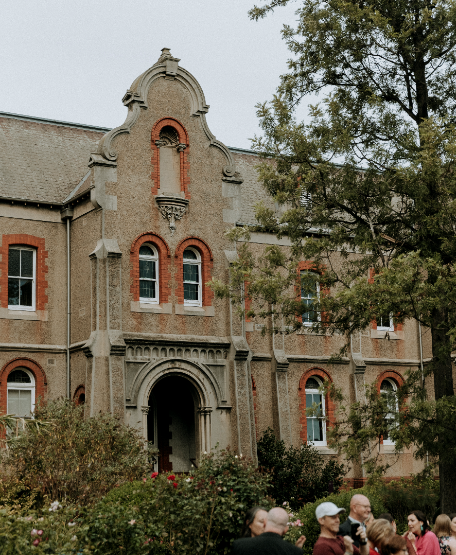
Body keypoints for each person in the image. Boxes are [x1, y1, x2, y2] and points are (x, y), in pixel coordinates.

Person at [231, 507, 305, 555]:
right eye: (261, 521)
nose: (265, 525)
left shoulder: (239, 545)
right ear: (249, 523)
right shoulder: (240, 546)